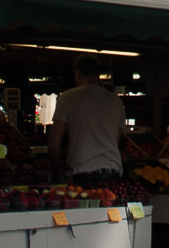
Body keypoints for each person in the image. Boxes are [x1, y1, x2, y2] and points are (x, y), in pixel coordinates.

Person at [48, 55, 125, 183]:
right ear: (98, 75)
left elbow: (54, 144)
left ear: (77, 73)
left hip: (81, 171)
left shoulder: (67, 98)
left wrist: (56, 164)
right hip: (112, 171)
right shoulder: (117, 102)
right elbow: (115, 140)